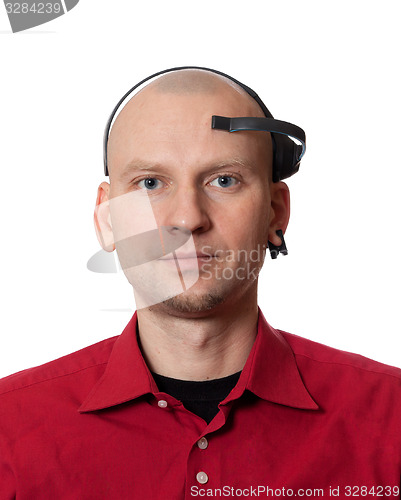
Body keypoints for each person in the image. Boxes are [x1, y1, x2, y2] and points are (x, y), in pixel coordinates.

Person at [1, 67, 400, 499]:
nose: (188, 218)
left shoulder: (392, 417)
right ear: (107, 218)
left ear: (275, 212)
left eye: (223, 180)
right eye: (150, 183)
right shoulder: (10, 425)